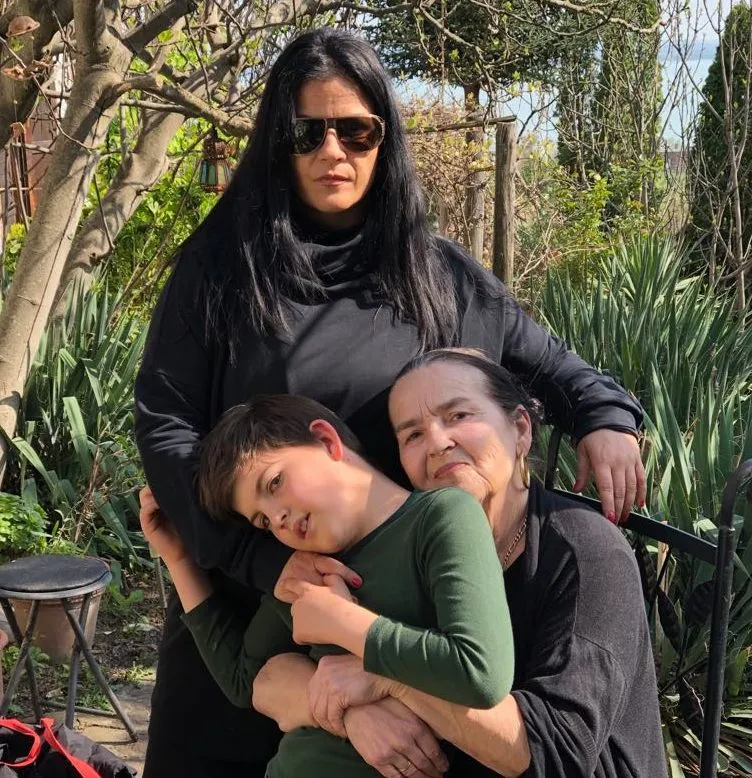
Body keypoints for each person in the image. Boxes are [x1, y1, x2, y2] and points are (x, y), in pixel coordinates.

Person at [134, 27, 646, 778]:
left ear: (385, 139)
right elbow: (165, 426)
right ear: (278, 143)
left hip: (398, 625)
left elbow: (546, 364)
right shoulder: (224, 272)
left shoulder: (437, 273)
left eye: (357, 131)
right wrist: (265, 559)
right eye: (307, 132)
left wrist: (605, 417)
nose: (332, 151)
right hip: (260, 613)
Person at [251, 349, 668, 778]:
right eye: (413, 435)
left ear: (520, 430)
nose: (437, 443)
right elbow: (264, 679)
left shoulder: (585, 553)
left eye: (459, 416)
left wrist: (387, 677)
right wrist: (354, 714)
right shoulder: (407, 546)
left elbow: (557, 755)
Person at [139, 392, 515, 777]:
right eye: (262, 521)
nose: (277, 518)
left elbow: (481, 672)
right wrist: (179, 561)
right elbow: (241, 679)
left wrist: (344, 624)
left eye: (275, 483)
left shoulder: (439, 517)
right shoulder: (308, 573)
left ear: (325, 440)